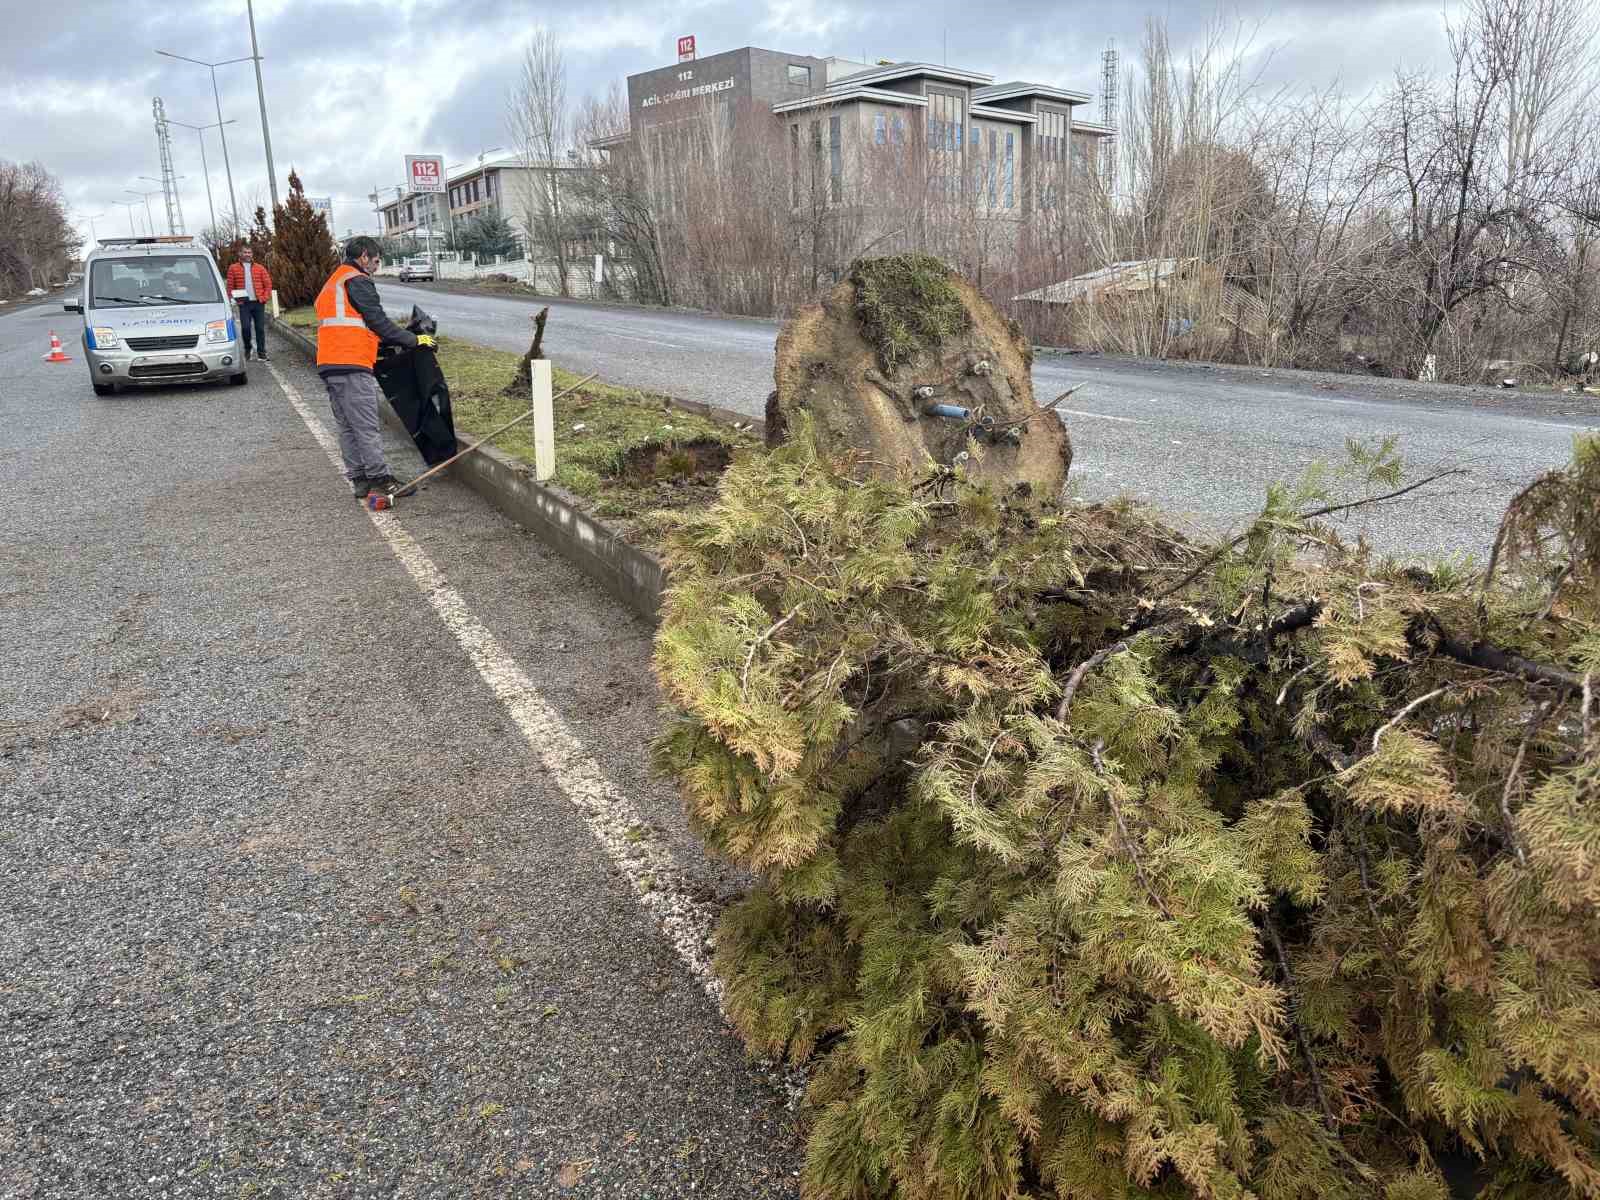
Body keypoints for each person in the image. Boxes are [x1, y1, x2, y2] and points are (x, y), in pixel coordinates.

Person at [314, 235, 436, 500]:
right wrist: (416, 339)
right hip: (351, 363)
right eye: (376, 261)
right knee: (366, 425)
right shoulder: (357, 280)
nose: (377, 267)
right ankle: (381, 479)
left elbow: (355, 324)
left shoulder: (334, 281)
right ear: (364, 257)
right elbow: (378, 322)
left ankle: (360, 479)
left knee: (348, 425)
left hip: (329, 362)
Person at [225, 246, 274, 362]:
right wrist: (231, 298)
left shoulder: (260, 268)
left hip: (258, 303)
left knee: (260, 329)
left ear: (252, 254)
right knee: (246, 328)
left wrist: (264, 298)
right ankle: (248, 348)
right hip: (244, 304)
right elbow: (230, 287)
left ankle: (262, 353)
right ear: (240, 254)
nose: (248, 254)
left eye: (249, 252)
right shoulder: (233, 268)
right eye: (245, 252)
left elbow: (268, 285)